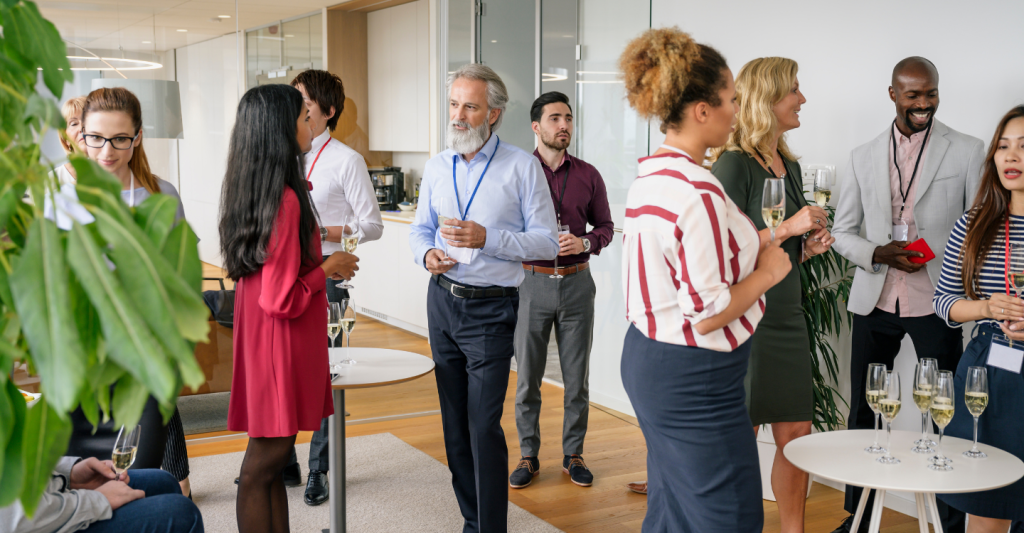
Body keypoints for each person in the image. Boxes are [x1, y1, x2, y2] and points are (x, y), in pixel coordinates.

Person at [618, 27, 791, 531]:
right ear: (701, 110)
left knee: (672, 509)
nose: (737, 110)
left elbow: (683, 265)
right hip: (694, 377)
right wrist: (769, 272)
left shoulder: (652, 176)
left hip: (648, 357)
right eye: (731, 100)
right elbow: (710, 309)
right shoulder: (699, 190)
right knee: (728, 516)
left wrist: (757, 241)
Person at [830, 57, 984, 533]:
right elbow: (841, 232)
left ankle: (950, 519)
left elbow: (977, 225)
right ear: (892, 94)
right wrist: (878, 251)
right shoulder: (861, 154)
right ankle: (856, 516)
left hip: (937, 300)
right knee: (862, 408)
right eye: (913, 95)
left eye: (930, 93)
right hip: (875, 298)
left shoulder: (968, 149)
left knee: (944, 409)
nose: (923, 104)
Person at [408, 63, 559, 533]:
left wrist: (487, 238)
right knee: (453, 428)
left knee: (480, 425)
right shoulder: (437, 165)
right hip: (442, 302)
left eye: (469, 106)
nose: (458, 115)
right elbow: (419, 230)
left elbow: (548, 242)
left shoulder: (521, 166)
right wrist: (427, 253)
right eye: (454, 104)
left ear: (492, 113)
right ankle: (472, 520)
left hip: (492, 308)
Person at [220, 83, 358, 533]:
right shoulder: (286, 199)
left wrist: (318, 263)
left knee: (273, 463)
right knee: (262, 466)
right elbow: (281, 298)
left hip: (263, 339)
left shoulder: (254, 189)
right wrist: (328, 266)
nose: (310, 124)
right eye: (303, 117)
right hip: (281, 344)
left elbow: (271, 274)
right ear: (281, 129)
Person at [709, 57, 833, 533]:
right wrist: (788, 228)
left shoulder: (791, 165)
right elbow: (722, 249)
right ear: (768, 99)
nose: (802, 99)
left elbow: (779, 252)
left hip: (788, 314)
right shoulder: (734, 163)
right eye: (794, 91)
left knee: (797, 435)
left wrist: (808, 249)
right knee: (743, 435)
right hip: (749, 318)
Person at [272, 69, 383, 507]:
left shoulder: (346, 160)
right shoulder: (284, 155)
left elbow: (371, 226)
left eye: (305, 106)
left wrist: (324, 230)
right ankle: (284, 458)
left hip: (329, 281)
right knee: (285, 374)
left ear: (328, 112)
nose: (297, 112)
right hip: (289, 281)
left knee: (325, 380)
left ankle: (320, 468)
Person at [80, 87, 192, 499]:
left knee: (133, 480)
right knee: (87, 489)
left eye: (120, 139)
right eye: (96, 137)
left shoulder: (163, 195)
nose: (107, 150)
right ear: (81, 136)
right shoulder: (62, 200)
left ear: (138, 137)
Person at [509, 91, 613, 490]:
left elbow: (605, 226)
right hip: (530, 283)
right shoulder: (517, 171)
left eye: (568, 118)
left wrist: (585, 242)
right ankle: (528, 456)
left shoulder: (588, 174)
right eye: (554, 118)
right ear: (536, 126)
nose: (564, 125)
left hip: (577, 284)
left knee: (576, 377)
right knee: (527, 379)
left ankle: (574, 455)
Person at [932, 105, 1024, 533]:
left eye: (1023, 147)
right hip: (988, 369)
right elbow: (944, 301)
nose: (1011, 157)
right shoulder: (972, 225)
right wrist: (987, 307)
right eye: (1004, 147)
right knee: (987, 498)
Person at [0, 456, 203, 532]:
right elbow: (13, 519)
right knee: (182, 513)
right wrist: (99, 499)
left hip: (37, 492)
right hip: (28, 520)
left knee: (162, 482)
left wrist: (69, 473)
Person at [56, 96, 86, 181]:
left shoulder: (117, 172)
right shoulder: (53, 179)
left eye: (87, 120)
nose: (82, 128)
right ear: (65, 139)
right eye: (73, 124)